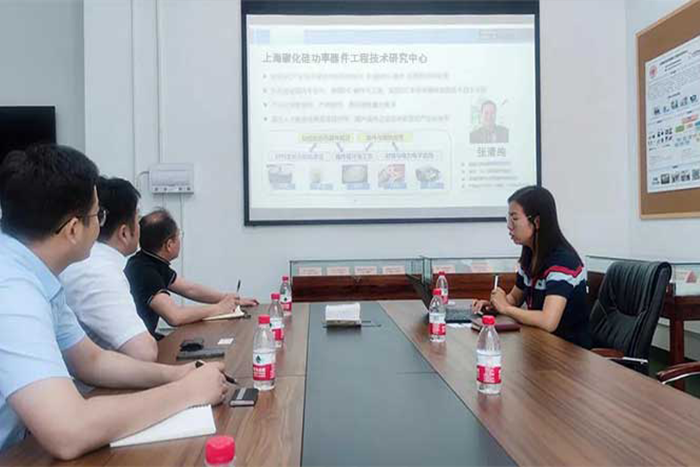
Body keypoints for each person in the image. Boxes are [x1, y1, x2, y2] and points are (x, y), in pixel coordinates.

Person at [0, 145, 228, 458]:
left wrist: (177, 374)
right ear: (73, 229)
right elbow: (68, 431)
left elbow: (91, 361)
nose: (101, 225)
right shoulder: (12, 290)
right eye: (99, 215)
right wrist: (187, 392)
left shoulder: (37, 274)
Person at [473, 186, 591, 348]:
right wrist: (494, 305)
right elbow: (515, 299)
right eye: (508, 218)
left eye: (514, 219)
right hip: (541, 344)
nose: (509, 226)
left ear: (537, 222)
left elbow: (548, 321)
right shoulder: (530, 254)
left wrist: (505, 308)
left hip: (569, 351)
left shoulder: (563, 262)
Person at [60, 177, 158, 362]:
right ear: (124, 232)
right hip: (94, 380)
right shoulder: (97, 271)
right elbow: (144, 352)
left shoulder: (91, 262)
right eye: (137, 219)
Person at [125, 209, 258, 338]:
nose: (180, 239)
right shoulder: (145, 271)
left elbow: (190, 289)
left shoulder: (147, 260)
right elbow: (174, 316)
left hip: (143, 338)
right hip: (136, 346)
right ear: (169, 245)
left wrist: (228, 299)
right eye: (178, 235)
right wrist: (219, 308)